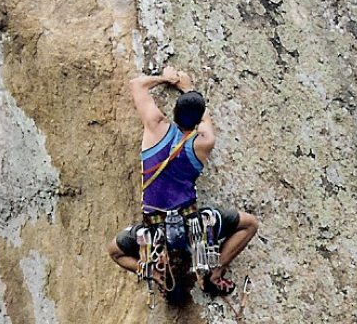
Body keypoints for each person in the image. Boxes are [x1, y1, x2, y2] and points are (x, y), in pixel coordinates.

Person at [108, 66, 257, 296]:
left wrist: (166, 79)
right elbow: (205, 121)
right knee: (250, 224)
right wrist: (188, 87)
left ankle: (158, 275)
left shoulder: (155, 126)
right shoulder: (203, 143)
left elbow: (137, 84)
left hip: (155, 232)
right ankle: (214, 275)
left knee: (115, 251)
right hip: (193, 229)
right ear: (197, 121)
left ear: (174, 110)